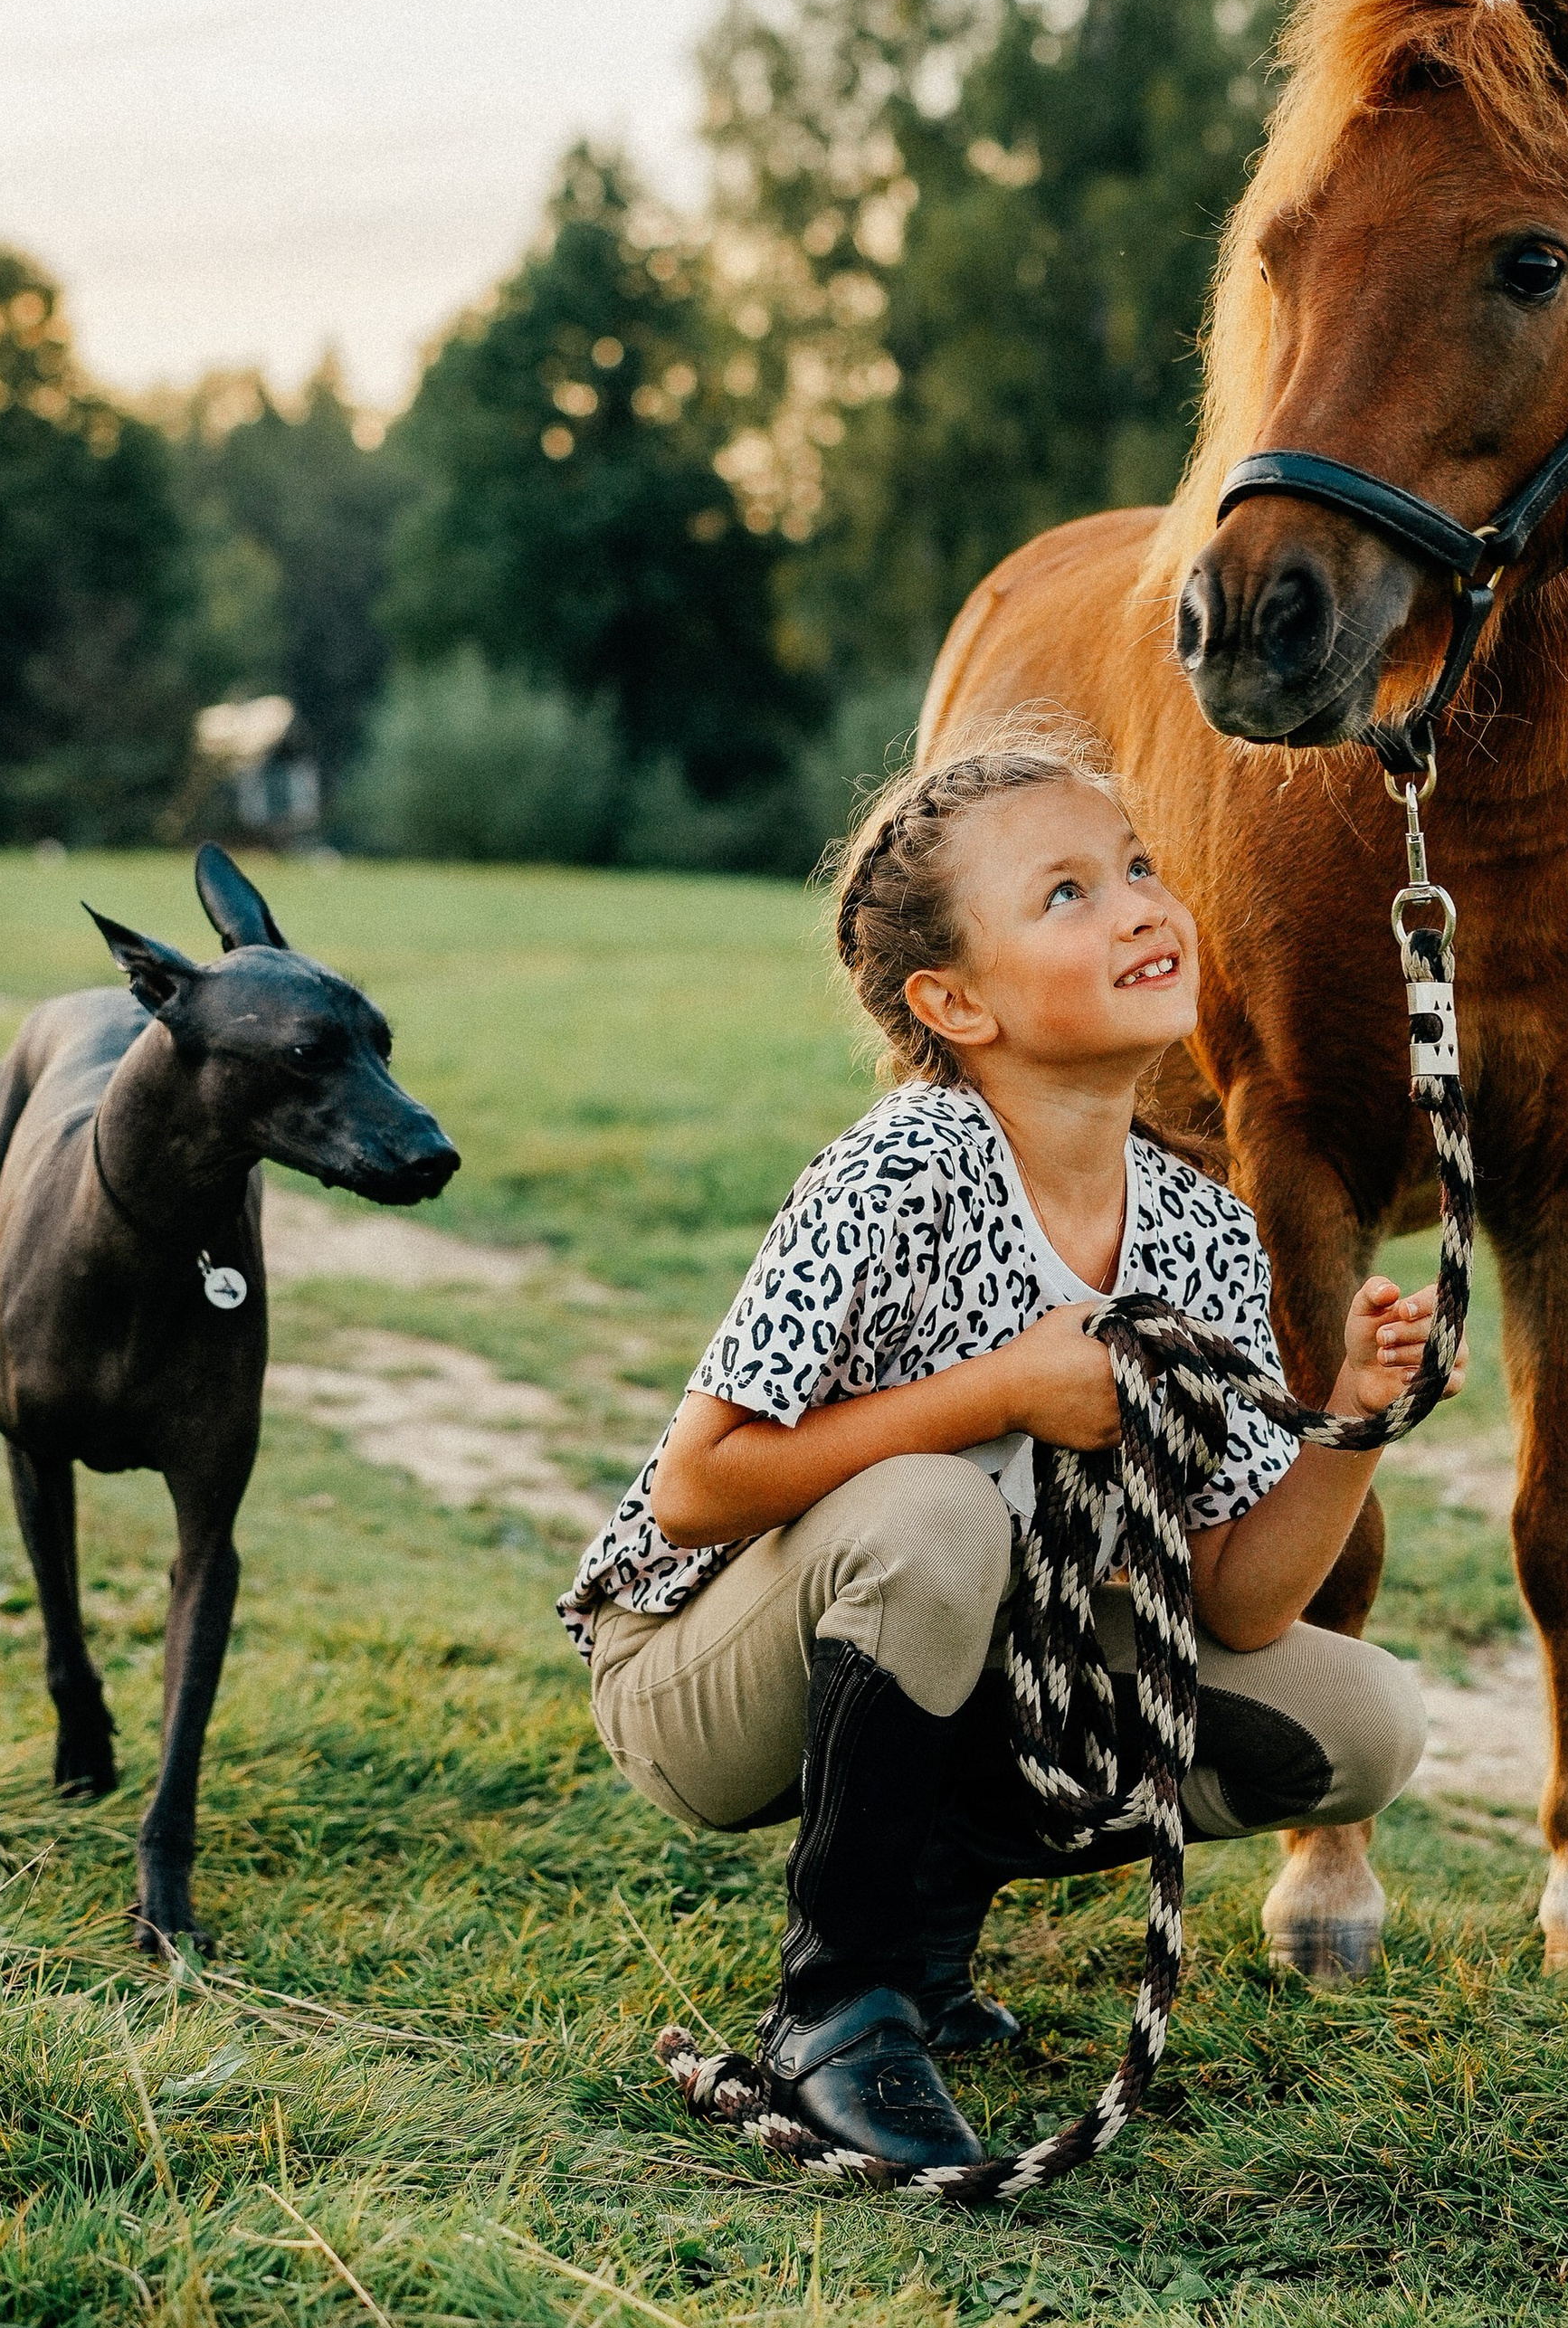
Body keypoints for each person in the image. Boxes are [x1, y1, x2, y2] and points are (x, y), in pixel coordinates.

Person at [560, 731, 1452, 2167]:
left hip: (966, 1648)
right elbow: (695, 1486)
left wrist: (1352, 1418)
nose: (1140, 906)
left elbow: (1232, 1601)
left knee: (1363, 1720)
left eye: (1141, 869)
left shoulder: (1204, 1230)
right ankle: (836, 2009)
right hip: (695, 1667)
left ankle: (921, 1919)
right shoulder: (899, 1168)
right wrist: (1007, 1389)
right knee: (934, 1513)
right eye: (1067, 893)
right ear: (954, 1001)